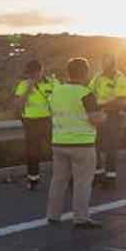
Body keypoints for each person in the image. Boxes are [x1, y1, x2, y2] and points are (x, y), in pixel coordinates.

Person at [46, 57, 105, 228]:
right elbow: (95, 119)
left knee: (58, 180)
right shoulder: (85, 93)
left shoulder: (57, 91)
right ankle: (81, 217)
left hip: (58, 142)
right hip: (82, 144)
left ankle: (53, 214)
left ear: (69, 72)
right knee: (82, 182)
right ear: (85, 73)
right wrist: (104, 116)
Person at [11, 59, 54, 190]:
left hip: (47, 121)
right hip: (31, 123)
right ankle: (33, 180)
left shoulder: (51, 83)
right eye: (28, 73)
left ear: (40, 72)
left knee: (57, 150)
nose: (30, 76)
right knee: (32, 153)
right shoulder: (24, 85)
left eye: (33, 73)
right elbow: (16, 103)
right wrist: (28, 90)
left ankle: (65, 177)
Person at [89, 53, 126, 188]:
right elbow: (89, 92)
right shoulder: (98, 77)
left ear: (114, 64)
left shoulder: (120, 78)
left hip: (114, 116)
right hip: (99, 115)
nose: (106, 67)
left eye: (109, 64)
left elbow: (121, 100)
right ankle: (97, 175)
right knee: (95, 145)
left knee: (110, 148)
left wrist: (101, 105)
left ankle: (110, 178)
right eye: (104, 64)